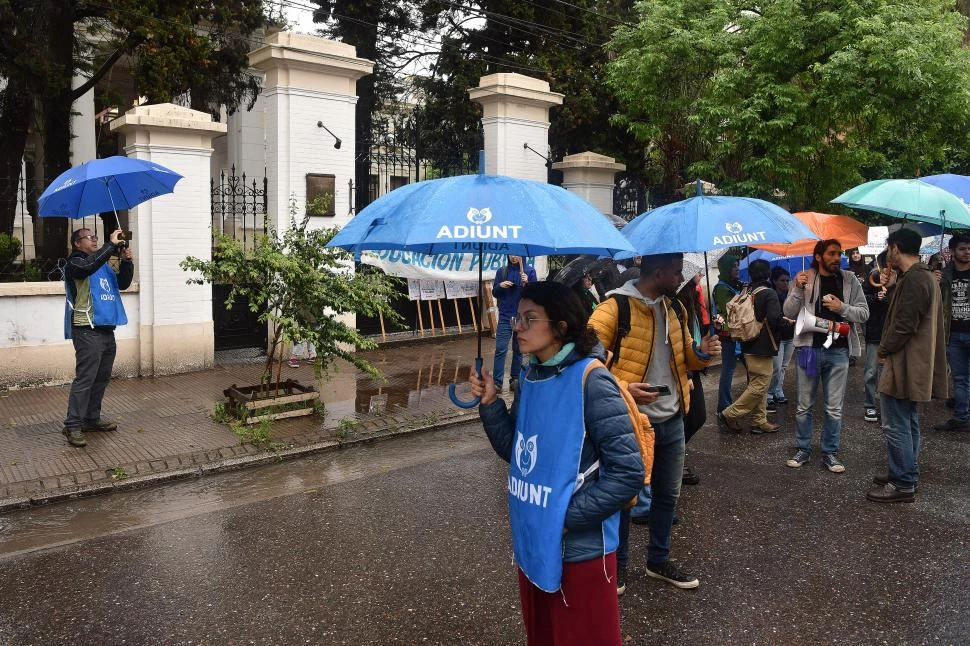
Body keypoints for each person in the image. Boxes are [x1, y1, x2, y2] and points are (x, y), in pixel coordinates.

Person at [470, 281, 644, 645]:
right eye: (517, 318)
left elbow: (628, 474)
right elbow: (517, 453)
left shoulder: (592, 382)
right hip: (534, 541)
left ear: (561, 325)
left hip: (580, 552)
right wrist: (490, 404)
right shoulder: (530, 376)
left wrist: (565, 518)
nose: (517, 327)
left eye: (529, 319)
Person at [590, 253, 721, 591]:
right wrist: (623, 389)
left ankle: (658, 561)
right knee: (622, 498)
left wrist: (702, 352)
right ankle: (616, 568)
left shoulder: (674, 308)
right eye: (677, 272)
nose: (681, 278)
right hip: (629, 421)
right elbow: (584, 364)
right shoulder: (612, 310)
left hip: (672, 417)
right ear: (659, 272)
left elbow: (685, 356)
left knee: (667, 496)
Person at [868, 228, 948, 503]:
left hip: (905, 362)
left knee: (896, 423)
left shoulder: (915, 279)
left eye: (889, 246)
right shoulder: (918, 277)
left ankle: (903, 483)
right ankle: (906, 472)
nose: (888, 251)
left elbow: (904, 324)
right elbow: (903, 312)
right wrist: (891, 286)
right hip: (913, 361)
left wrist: (883, 349)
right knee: (908, 420)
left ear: (896, 248)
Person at [783, 239, 869, 473]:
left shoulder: (849, 279)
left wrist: (842, 308)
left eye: (839, 253)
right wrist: (797, 289)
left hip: (839, 352)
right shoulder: (804, 278)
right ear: (818, 256)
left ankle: (830, 453)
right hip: (808, 350)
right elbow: (788, 312)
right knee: (803, 405)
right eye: (831, 253)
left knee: (833, 408)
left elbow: (863, 313)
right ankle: (803, 449)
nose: (836, 258)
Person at [62, 227, 133, 448]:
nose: (94, 239)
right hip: (86, 329)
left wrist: (127, 262)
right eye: (89, 237)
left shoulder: (100, 263)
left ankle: (91, 419)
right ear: (76, 244)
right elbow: (87, 268)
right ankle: (72, 425)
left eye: (95, 237)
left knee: (101, 378)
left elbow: (122, 284)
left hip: (106, 329)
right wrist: (110, 245)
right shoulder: (75, 263)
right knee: (85, 379)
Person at [718, 259, 783, 434]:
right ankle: (730, 414)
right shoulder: (769, 293)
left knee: (756, 383)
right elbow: (775, 320)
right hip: (763, 345)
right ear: (768, 273)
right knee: (760, 384)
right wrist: (788, 324)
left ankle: (759, 420)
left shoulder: (747, 291)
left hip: (747, 342)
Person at [676, 273, 708, 485]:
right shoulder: (677, 303)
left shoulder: (694, 298)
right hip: (684, 368)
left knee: (697, 416)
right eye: (697, 273)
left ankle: (675, 459)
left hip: (693, 364)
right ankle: (674, 461)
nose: (701, 275)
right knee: (692, 416)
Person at [936, 234, 970, 432]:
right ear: (952, 251)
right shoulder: (945, 275)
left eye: (969, 249)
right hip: (953, 334)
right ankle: (961, 417)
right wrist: (936, 282)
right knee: (960, 378)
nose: (967, 252)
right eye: (963, 248)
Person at [492, 255, 537, 392]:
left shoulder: (529, 271)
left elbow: (534, 295)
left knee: (519, 350)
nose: (513, 257)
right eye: (511, 254)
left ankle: (515, 379)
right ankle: (497, 382)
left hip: (522, 317)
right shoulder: (502, 271)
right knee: (501, 349)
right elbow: (495, 292)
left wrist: (527, 283)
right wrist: (500, 286)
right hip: (505, 316)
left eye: (516, 254)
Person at [862, 251, 891, 423]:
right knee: (871, 371)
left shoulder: (903, 278)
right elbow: (861, 300)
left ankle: (888, 406)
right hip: (875, 329)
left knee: (891, 371)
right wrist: (875, 297)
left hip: (895, 332)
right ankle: (869, 405)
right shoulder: (873, 276)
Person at [713, 254, 743, 413]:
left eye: (737, 265)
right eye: (733, 266)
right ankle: (723, 405)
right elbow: (726, 311)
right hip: (728, 335)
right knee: (728, 369)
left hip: (737, 333)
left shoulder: (732, 285)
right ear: (726, 268)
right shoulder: (722, 288)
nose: (737, 268)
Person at [766, 267, 795, 412]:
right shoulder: (772, 295)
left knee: (784, 366)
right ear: (774, 281)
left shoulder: (791, 294)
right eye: (782, 280)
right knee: (776, 367)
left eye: (787, 280)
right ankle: (769, 394)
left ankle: (778, 391)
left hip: (790, 335)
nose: (785, 283)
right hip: (777, 336)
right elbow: (773, 317)